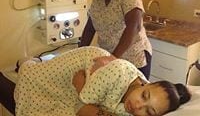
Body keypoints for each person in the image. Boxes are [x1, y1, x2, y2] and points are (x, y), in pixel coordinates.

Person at [14, 46, 191, 116]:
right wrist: (80, 88)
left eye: (149, 112)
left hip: (86, 84)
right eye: (144, 96)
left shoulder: (133, 107)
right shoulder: (117, 72)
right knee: (30, 75)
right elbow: (81, 104)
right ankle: (30, 62)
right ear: (146, 83)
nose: (137, 106)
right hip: (81, 66)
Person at [79, 0, 152, 79]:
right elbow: (90, 28)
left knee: (134, 95)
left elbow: (134, 27)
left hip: (133, 58)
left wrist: (113, 57)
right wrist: (80, 52)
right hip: (109, 59)